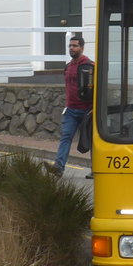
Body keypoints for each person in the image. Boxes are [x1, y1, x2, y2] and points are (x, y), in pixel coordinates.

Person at [55, 34, 93, 173]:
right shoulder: (68, 67)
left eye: (75, 46)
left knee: (92, 140)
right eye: (70, 46)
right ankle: (58, 166)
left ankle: (95, 170)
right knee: (66, 137)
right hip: (71, 110)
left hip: (87, 110)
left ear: (82, 48)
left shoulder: (89, 66)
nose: (71, 48)